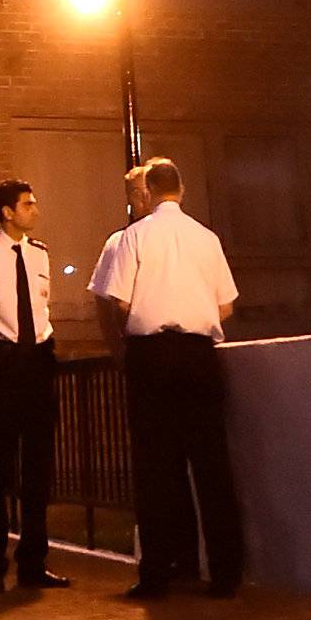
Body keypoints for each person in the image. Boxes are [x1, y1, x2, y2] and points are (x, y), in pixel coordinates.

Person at [90, 155, 244, 600]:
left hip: (152, 355)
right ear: (182, 190)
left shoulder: (133, 237)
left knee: (156, 465)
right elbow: (227, 306)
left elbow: (117, 301)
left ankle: (159, 571)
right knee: (211, 463)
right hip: (200, 354)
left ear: (149, 192)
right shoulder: (207, 237)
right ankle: (225, 571)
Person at [0, 177, 69, 593]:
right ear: (8, 212)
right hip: (3, 365)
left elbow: (42, 306)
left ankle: (33, 563)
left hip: (38, 363)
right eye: (28, 204)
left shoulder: (40, 254)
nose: (35, 210)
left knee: (38, 468)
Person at [94, 167, 198, 586]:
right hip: (155, 355)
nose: (140, 198)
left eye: (143, 189)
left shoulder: (185, 237)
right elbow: (107, 301)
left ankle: (182, 560)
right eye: (133, 192)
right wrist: (120, 351)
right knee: (159, 465)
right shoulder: (121, 242)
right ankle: (166, 560)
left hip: (166, 354)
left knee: (178, 464)